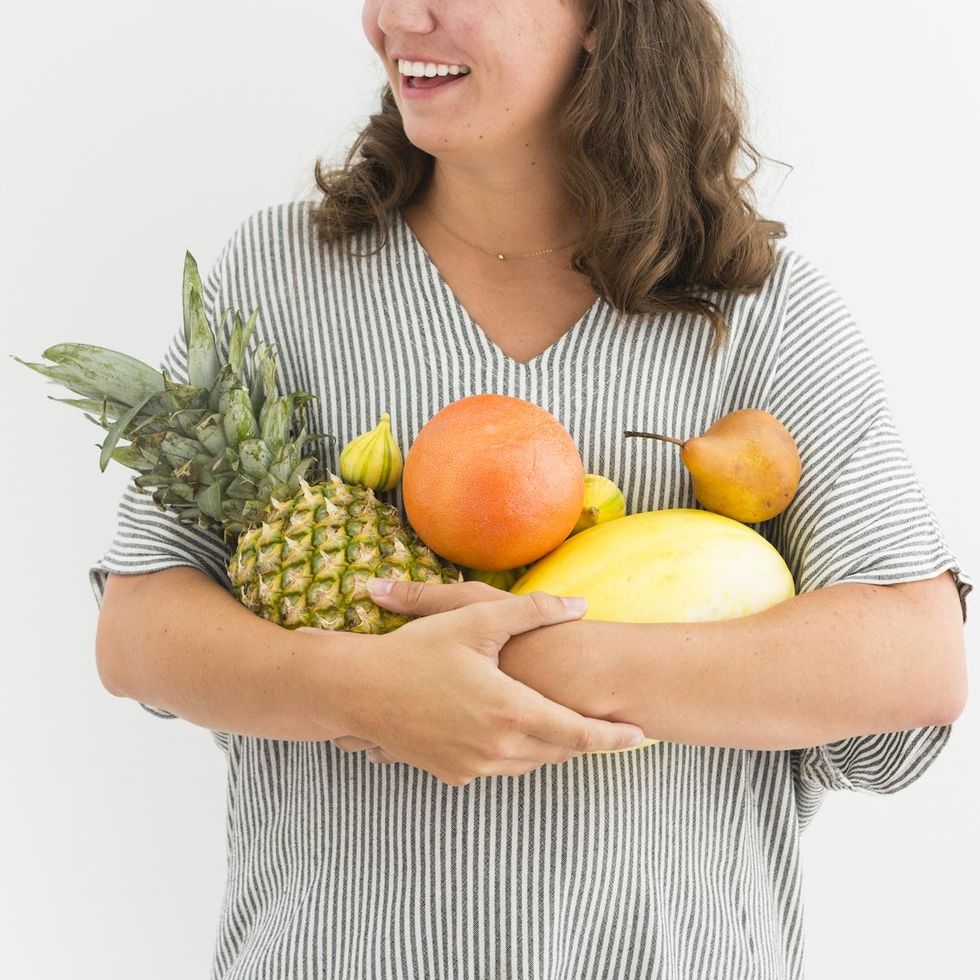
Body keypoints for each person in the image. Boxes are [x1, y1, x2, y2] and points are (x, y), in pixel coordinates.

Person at [90, 1, 972, 977]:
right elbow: (137, 630)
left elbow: (914, 656)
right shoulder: (280, 274)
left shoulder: (761, 312)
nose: (394, 18)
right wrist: (364, 686)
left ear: (601, 17)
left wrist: (536, 667)